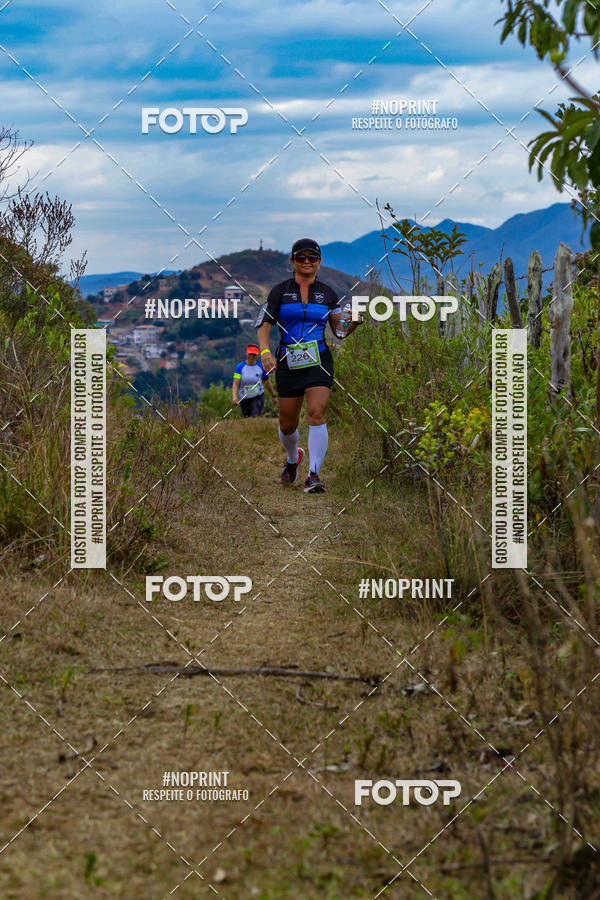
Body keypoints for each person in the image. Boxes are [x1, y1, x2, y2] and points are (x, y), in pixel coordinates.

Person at [256, 238, 361, 493]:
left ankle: (313, 475)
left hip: (319, 359)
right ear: (292, 261)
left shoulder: (328, 294)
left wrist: (354, 323)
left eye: (312, 257)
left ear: (319, 262)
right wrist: (265, 351)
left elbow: (339, 332)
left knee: (317, 413)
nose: (306, 262)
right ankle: (294, 457)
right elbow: (264, 324)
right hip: (288, 361)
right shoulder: (280, 291)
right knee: (287, 425)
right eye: (301, 257)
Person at [232, 344, 278, 417]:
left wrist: (274, 396)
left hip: (258, 396)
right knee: (247, 417)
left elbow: (267, 382)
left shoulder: (261, 367)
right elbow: (235, 383)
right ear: (247, 354)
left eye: (254, 354)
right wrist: (234, 397)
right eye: (250, 354)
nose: (252, 356)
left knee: (254, 415)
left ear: (257, 355)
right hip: (244, 397)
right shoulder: (239, 367)